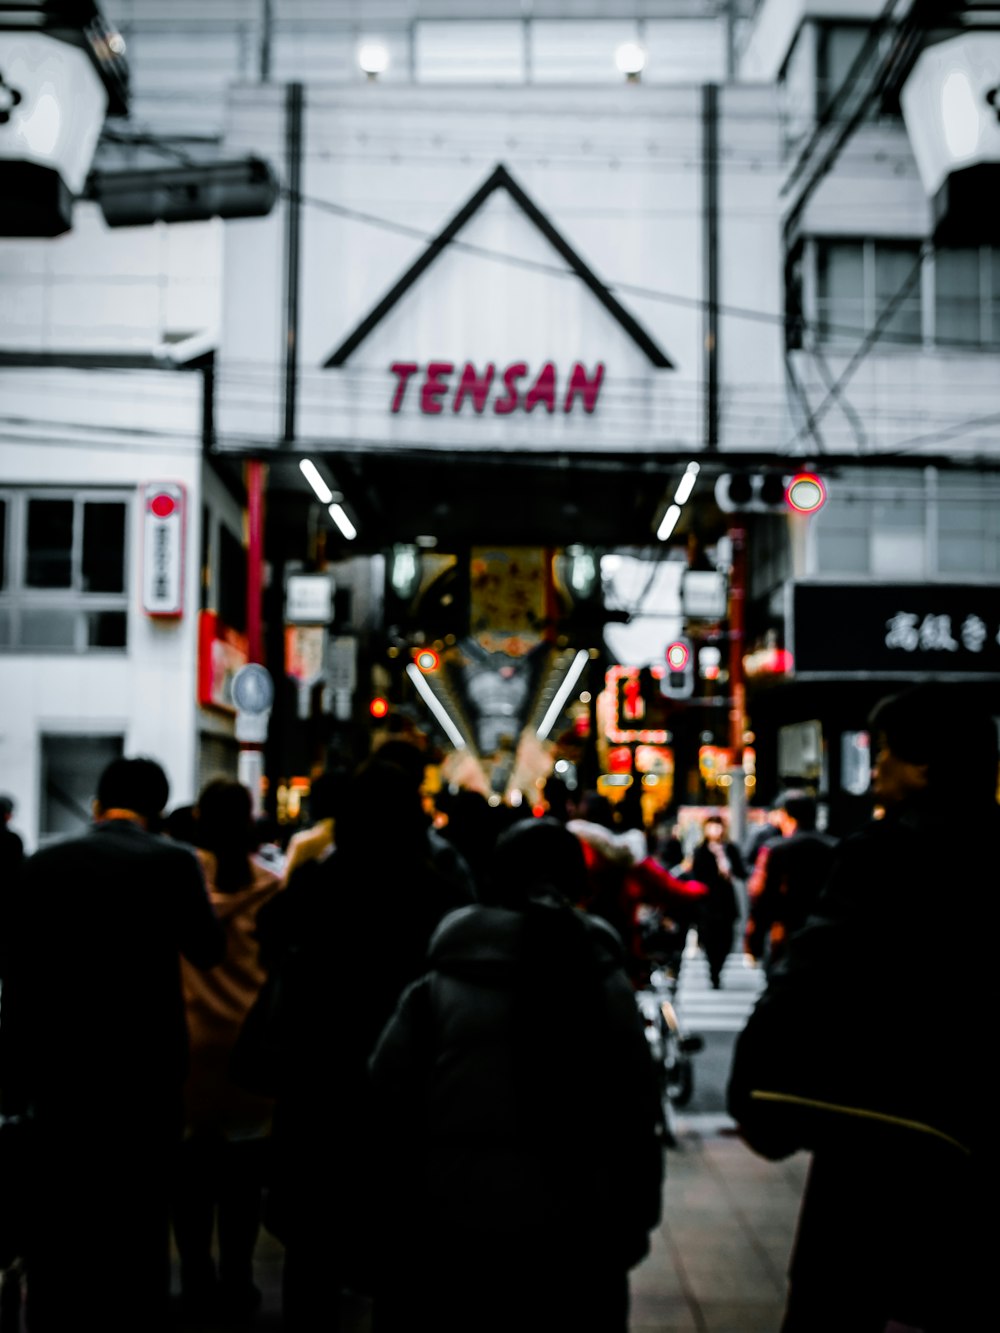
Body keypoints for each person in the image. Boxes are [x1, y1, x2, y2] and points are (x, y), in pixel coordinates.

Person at [728, 684, 997, 1331]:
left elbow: (814, 975)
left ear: (927, 764)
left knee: (841, 1299)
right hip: (970, 1131)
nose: (875, 766)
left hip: (877, 1139)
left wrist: (755, 1085)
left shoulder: (882, 854)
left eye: (887, 753)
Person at [369, 817, 664, 1333]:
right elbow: (636, 1111)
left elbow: (385, 1098)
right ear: (579, 886)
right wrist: (633, 1218)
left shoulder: (437, 985)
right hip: (577, 1231)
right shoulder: (601, 981)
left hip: (453, 1223)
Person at [0, 756, 224, 1333]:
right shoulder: (176, 863)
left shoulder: (44, 863)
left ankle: (58, 1310)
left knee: (63, 1200)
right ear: (157, 810)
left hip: (60, 1065)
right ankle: (133, 1310)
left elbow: (15, 967)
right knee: (140, 1206)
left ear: (99, 805)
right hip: (146, 1063)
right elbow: (206, 951)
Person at [254, 757, 462, 1330]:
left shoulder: (320, 884)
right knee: (403, 1256)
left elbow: (268, 936)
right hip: (406, 1098)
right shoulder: (437, 893)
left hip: (319, 1086)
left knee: (312, 1253)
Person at [173, 778, 284, 1319]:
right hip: (250, 1053)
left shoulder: (181, 884)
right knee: (242, 1184)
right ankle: (238, 1280)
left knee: (190, 1181)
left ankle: (196, 1278)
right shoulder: (276, 889)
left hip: (189, 1050)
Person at [743, 791, 838, 974]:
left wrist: (753, 942)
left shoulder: (775, 850)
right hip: (825, 937)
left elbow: (761, 898)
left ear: (785, 814)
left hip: (785, 936)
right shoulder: (834, 848)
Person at [690, 813, 746, 988]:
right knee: (710, 938)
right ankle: (713, 971)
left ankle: (718, 968)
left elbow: (741, 872)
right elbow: (697, 876)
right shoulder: (701, 850)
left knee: (726, 938)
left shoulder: (730, 849)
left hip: (726, 900)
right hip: (707, 902)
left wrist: (724, 861)